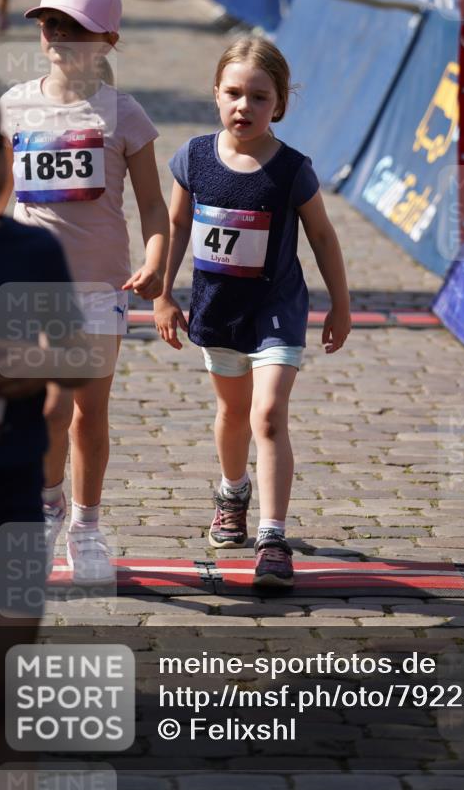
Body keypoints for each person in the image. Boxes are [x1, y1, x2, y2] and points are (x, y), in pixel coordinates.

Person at [154, 37, 351, 587]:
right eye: (234, 94)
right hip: (218, 310)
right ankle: (232, 490)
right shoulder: (192, 158)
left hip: (277, 310)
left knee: (267, 415)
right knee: (233, 414)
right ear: (216, 95)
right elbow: (173, 228)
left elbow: (323, 237)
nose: (245, 106)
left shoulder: (292, 169)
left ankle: (273, 536)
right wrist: (164, 294)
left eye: (259, 97)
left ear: (280, 104)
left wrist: (341, 302)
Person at [0, 0, 169, 583]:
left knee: (88, 412)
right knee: (47, 410)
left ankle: (88, 525)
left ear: (108, 39)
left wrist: (156, 258)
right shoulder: (14, 104)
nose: (59, 36)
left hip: (100, 286)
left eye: (74, 27)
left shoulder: (125, 114)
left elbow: (153, 204)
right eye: (51, 24)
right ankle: (47, 508)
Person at [0, 62, 89, 778]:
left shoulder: (29, 251)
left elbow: (76, 357)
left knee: (1, 695)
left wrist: (29, 369)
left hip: (8, 506)